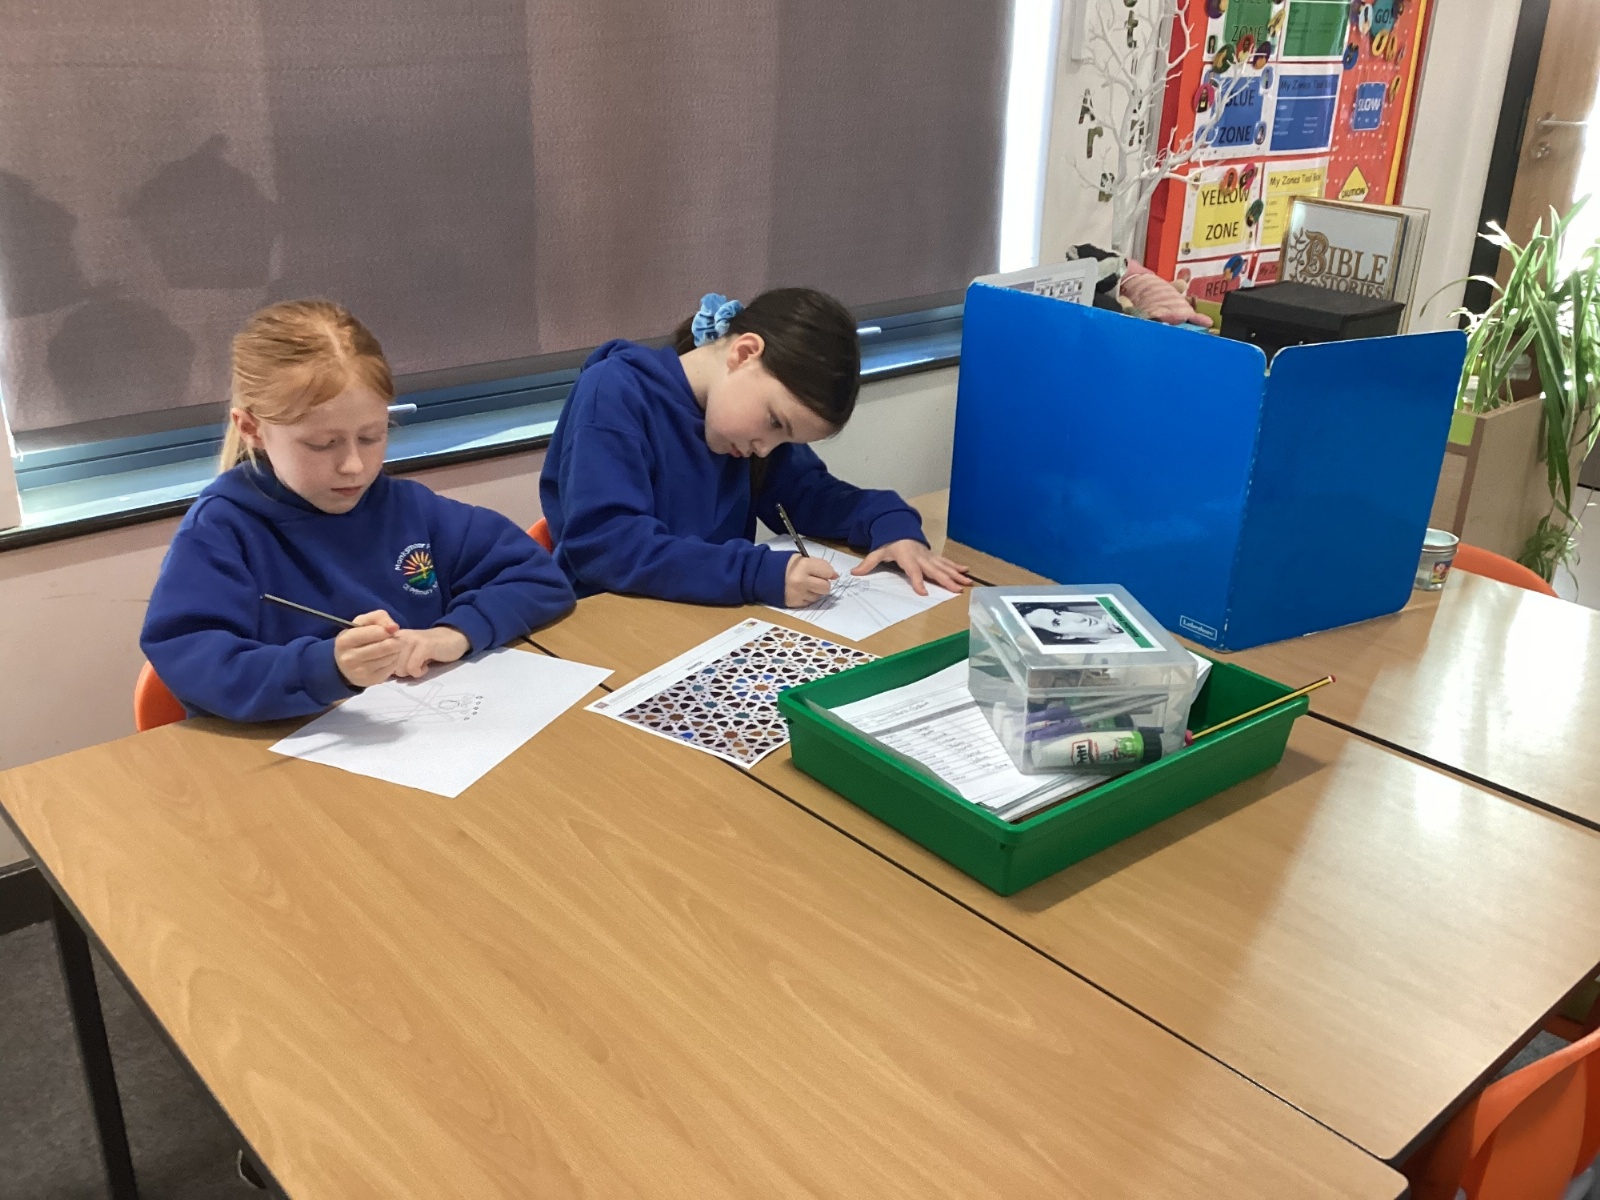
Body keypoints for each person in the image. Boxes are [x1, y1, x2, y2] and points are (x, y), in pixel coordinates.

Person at [141, 299, 574, 722]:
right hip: (286, 752)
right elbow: (192, 662)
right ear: (252, 429)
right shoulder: (222, 530)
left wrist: (453, 634)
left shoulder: (408, 509)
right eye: (322, 444)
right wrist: (325, 668)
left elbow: (539, 579)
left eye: (371, 436)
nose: (354, 465)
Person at [539, 288, 970, 608]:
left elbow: (812, 498)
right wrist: (754, 573)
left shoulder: (748, 437)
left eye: (786, 439)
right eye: (776, 423)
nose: (766, 450)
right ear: (744, 353)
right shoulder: (614, 394)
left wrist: (890, 522)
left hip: (699, 624)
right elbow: (606, 545)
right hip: (607, 623)